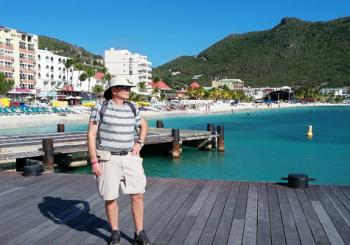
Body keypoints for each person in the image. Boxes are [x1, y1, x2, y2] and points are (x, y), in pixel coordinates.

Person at [87, 77, 152, 245]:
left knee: (138, 195)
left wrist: (140, 143)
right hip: (108, 159)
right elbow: (91, 135)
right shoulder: (100, 107)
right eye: (125, 87)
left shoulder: (132, 107)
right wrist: (94, 161)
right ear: (114, 90)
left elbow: (144, 125)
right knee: (110, 197)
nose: (129, 90)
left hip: (130, 158)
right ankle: (115, 232)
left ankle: (139, 232)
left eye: (129, 87)